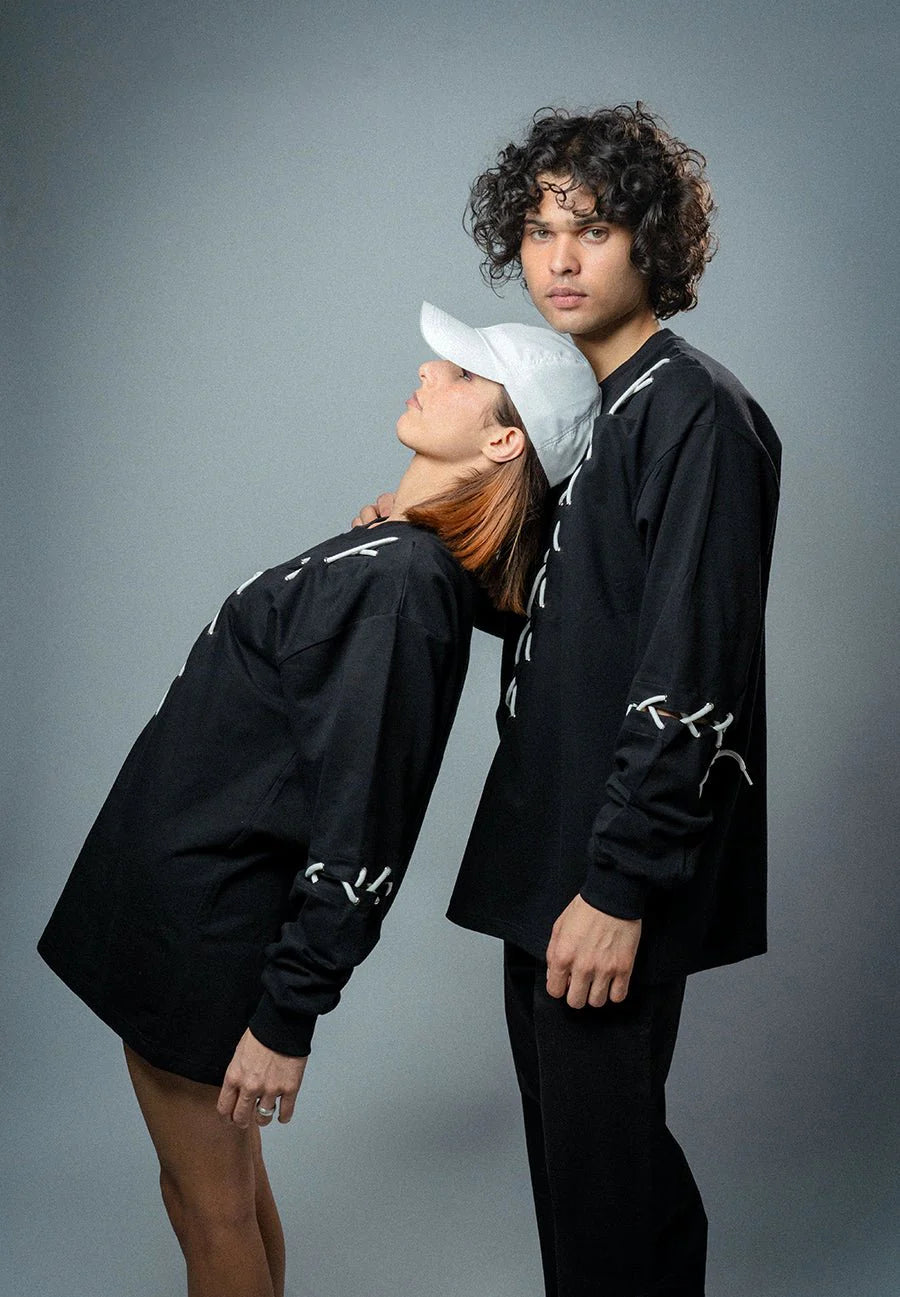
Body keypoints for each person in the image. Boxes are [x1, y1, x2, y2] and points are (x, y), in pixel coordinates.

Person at [37, 302, 601, 1297]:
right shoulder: (400, 564)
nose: (431, 371)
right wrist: (400, 532)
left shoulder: (402, 585)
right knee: (213, 1195)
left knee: (207, 1206)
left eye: (464, 375)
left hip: (208, 919)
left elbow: (364, 824)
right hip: (181, 903)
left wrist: (286, 1017)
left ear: (504, 440)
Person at [356, 105, 782, 1296]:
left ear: (651, 240)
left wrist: (620, 885)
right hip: (553, 862)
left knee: (606, 1193)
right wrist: (431, 539)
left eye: (592, 229)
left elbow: (693, 665)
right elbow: (578, 621)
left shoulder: (696, 412)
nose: (559, 257)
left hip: (604, 875)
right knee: (588, 1182)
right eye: (541, 230)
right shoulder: (604, 416)